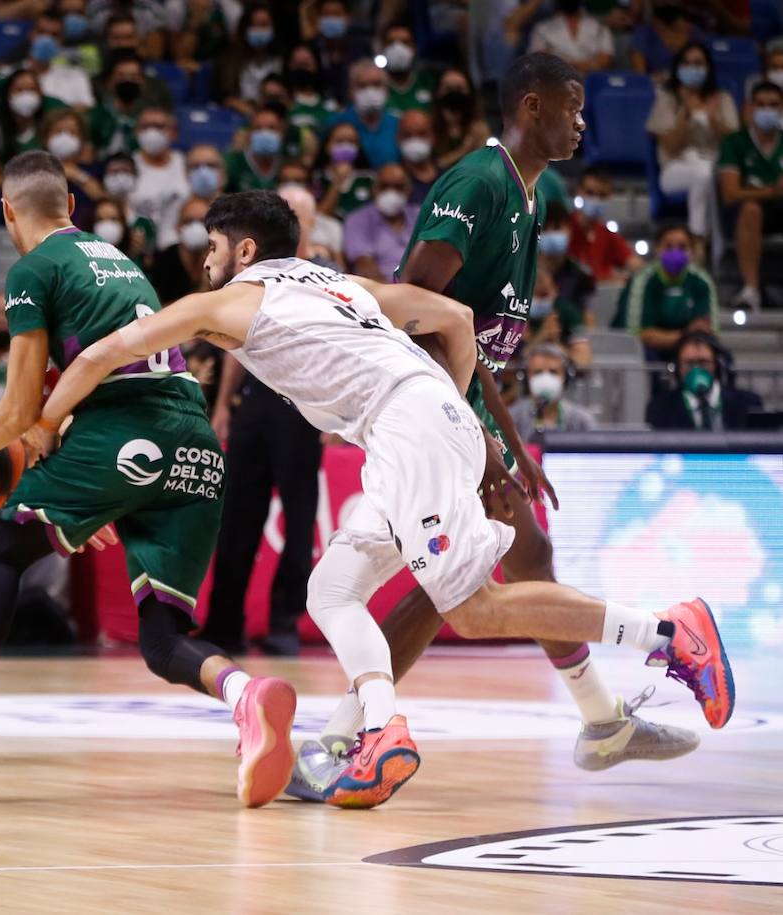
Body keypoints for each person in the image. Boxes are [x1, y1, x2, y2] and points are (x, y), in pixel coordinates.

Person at [35, 189, 734, 810]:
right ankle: (378, 730)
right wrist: (449, 409)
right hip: (414, 423)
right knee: (331, 590)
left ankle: (670, 632)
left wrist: (43, 426)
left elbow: (101, 354)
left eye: (213, 247)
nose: (206, 261)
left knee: (472, 608)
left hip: (407, 427)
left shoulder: (227, 300)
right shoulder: (339, 284)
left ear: (243, 249)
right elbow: (456, 318)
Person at [307, 53, 699, 788]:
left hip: (460, 406)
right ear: (529, 107)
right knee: (462, 581)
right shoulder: (478, 182)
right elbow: (413, 312)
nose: (584, 122)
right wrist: (477, 434)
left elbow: (466, 332)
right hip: (422, 407)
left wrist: (509, 435)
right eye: (572, 106)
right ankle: (341, 738)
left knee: (513, 560)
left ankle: (601, 721)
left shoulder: (528, 196)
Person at [0, 153, 301, 810]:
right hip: (196, 447)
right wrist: (91, 491)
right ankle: (246, 695)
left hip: (123, 433)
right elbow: (66, 397)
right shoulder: (120, 264)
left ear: (8, 213)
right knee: (162, 638)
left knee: (1, 549)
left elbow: (18, 410)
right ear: (70, 202)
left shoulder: (33, 268)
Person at [199, 186, 327, 658]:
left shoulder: (324, 275)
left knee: (298, 521)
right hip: (255, 404)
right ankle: (223, 622)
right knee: (237, 518)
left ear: (309, 223)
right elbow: (239, 343)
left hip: (302, 408)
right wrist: (222, 407)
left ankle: (284, 622)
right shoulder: (253, 278)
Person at [647, 42, 739, 243]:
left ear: (708, 68)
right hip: (675, 169)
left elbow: (734, 145)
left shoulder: (722, 99)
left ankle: (707, 242)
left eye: (698, 63)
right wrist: (686, 113)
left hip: (715, 167)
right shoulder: (666, 99)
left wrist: (712, 118)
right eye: (687, 63)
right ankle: (698, 239)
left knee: (706, 175)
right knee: (702, 175)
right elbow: (669, 146)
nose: (692, 68)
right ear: (678, 67)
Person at [717, 80, 783, 311]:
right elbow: (730, 193)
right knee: (751, 209)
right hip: (742, 213)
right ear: (749, 108)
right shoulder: (735, 142)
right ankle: (751, 289)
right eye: (761, 104)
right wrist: (772, 191)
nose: (767, 110)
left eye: (774, 105)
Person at [612, 223, 719, 362]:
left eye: (682, 247)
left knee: (715, 358)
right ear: (657, 249)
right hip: (646, 351)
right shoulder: (643, 280)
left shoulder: (702, 281)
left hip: (686, 349)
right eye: (668, 246)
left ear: (692, 251)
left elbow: (709, 333)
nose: (675, 252)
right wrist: (686, 334)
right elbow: (638, 335)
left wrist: (690, 337)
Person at [647, 331, 763, 430]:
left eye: (703, 362)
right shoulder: (660, 408)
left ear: (718, 365)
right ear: (677, 368)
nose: (697, 370)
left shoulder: (748, 403)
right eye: (689, 363)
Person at [535, 204, 595, 366]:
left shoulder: (583, 277)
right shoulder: (520, 271)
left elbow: (587, 320)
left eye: (556, 228)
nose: (552, 233)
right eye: (545, 228)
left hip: (568, 340)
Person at [129, 106, 191, 251]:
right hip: (138, 247)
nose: (152, 132)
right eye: (145, 126)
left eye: (159, 126)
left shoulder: (184, 163)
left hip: (179, 248)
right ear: (136, 132)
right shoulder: (126, 165)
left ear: (173, 132)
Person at [343, 163, 417, 282]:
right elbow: (365, 267)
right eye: (385, 186)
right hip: (380, 290)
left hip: (421, 288)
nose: (391, 192)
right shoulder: (357, 220)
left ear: (408, 189)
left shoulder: (419, 216)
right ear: (374, 188)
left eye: (398, 187)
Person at [510, 343, 595, 441]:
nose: (546, 378)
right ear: (525, 378)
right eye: (538, 372)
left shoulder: (581, 420)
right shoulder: (512, 418)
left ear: (566, 377)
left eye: (553, 372)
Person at [568, 167, 637, 282]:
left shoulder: (607, 235)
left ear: (610, 197)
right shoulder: (564, 228)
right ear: (579, 191)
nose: (596, 200)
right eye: (590, 193)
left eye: (602, 195)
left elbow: (635, 264)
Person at [218, 2, 285, 115]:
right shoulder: (230, 60)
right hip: (239, 115)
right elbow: (225, 97)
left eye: (264, 25)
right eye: (254, 25)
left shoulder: (281, 59)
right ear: (245, 29)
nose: (259, 30)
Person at [339, 60, 401, 167]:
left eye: (376, 84)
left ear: (386, 90)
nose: (370, 91)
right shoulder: (338, 124)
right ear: (351, 91)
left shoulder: (398, 124)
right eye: (362, 86)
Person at [149, 198, 212, 302]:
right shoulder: (164, 261)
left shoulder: (221, 258)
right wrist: (203, 289)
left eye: (202, 221)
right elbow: (158, 309)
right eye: (188, 221)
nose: (195, 227)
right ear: (178, 227)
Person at [528, 0, 614, 75]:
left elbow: (604, 61)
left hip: (592, 83)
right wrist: (583, 64)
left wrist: (563, 64)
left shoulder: (599, 27)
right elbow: (539, 61)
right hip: (555, 83)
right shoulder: (542, 28)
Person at [433, 67, 489, 170]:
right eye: (448, 89)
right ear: (438, 92)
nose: (454, 94)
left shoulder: (479, 129)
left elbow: (480, 165)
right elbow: (431, 167)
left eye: (459, 89)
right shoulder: (428, 126)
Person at [224, 103, 289, 193]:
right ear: (249, 134)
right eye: (258, 128)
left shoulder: (288, 161)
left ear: (282, 133)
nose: (264, 133)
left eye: (272, 128)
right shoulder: (233, 162)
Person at [317, 120, 374, 219]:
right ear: (327, 146)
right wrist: (338, 181)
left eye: (351, 142)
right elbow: (319, 217)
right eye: (339, 141)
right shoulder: (317, 178)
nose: (345, 146)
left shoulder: (369, 179)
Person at [631, 1, 702, 81]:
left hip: (688, 84)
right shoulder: (643, 33)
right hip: (656, 85)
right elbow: (640, 73)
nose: (687, 28)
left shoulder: (693, 32)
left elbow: (703, 69)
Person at [379, 23, 435, 114]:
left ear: (414, 48)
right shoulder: (373, 84)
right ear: (382, 47)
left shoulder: (428, 82)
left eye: (405, 42)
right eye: (391, 42)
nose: (397, 48)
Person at [397, 110, 439, 203]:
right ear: (398, 138)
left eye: (421, 133)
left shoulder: (448, 178)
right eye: (407, 134)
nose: (415, 139)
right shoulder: (392, 181)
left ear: (433, 137)